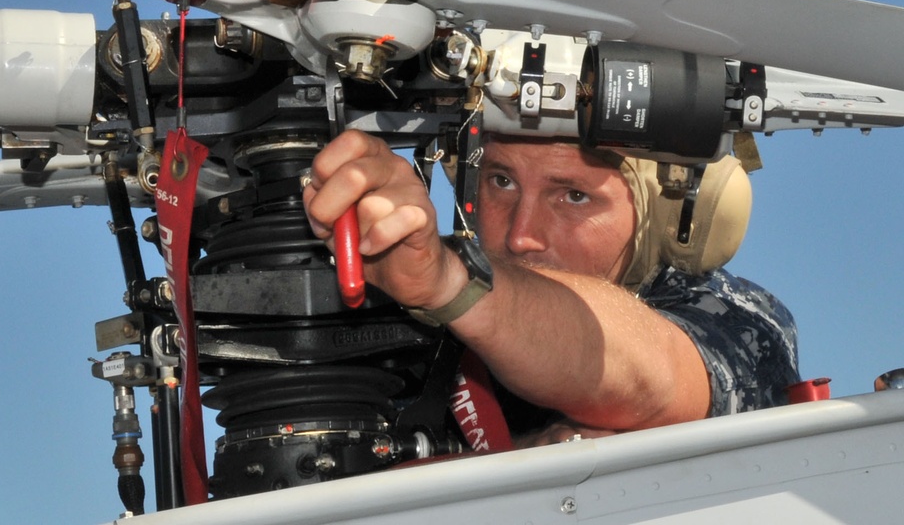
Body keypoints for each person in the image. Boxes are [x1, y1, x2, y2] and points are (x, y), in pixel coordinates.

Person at [302, 129, 799, 445]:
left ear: (673, 221)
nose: (522, 236)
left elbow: (652, 375)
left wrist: (453, 283)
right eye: (501, 182)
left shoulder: (739, 320)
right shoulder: (406, 304)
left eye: (574, 196)